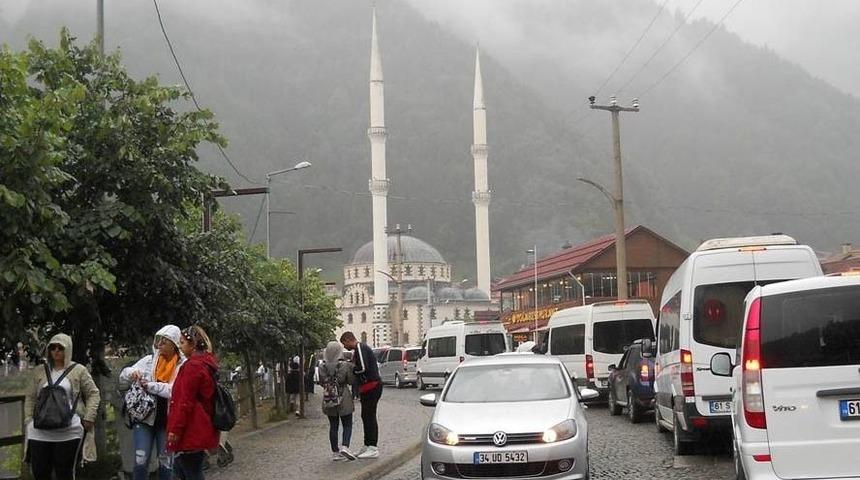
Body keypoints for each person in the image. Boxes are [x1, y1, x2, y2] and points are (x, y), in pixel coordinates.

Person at [23, 333, 101, 480]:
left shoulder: (79, 370)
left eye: (61, 347)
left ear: (68, 349)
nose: (56, 351)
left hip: (69, 431)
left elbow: (93, 393)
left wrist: (89, 417)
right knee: (40, 472)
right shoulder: (40, 371)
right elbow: (31, 397)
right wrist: (28, 420)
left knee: (64, 472)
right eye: (53, 347)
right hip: (39, 430)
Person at [119, 325, 183, 480]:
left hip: (168, 421)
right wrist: (131, 373)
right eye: (158, 341)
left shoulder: (182, 366)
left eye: (164, 342)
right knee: (140, 460)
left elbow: (173, 390)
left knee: (165, 462)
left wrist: (150, 386)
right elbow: (123, 378)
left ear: (174, 345)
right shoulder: (149, 362)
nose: (159, 345)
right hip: (145, 418)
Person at [167, 326, 219, 480]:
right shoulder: (206, 363)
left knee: (191, 472)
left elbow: (185, 401)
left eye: (182, 342)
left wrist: (175, 429)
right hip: (199, 424)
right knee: (182, 471)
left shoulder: (193, 367)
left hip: (192, 428)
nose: (180, 346)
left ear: (193, 344)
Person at [339, 331, 382, 459]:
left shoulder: (360, 348)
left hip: (372, 386)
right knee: (365, 415)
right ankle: (367, 444)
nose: (345, 347)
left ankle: (373, 447)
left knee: (369, 416)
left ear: (348, 339)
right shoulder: (359, 349)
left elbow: (363, 367)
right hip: (367, 388)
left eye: (344, 343)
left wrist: (352, 369)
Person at [319, 341, 357, 461]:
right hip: (343, 395)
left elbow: (321, 382)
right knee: (347, 424)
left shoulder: (322, 366)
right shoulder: (344, 365)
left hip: (328, 396)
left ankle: (335, 452)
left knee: (333, 425)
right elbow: (350, 380)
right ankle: (345, 446)